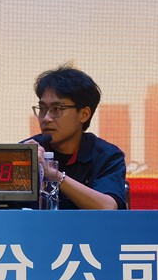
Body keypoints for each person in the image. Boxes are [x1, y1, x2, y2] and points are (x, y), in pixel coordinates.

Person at [24, 65, 127, 210]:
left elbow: (108, 207)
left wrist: (55, 176)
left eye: (56, 109)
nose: (46, 118)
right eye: (42, 109)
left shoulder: (107, 155)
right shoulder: (28, 153)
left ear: (84, 114)